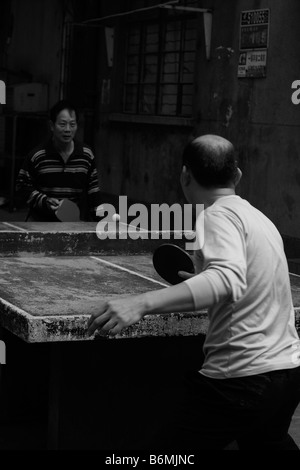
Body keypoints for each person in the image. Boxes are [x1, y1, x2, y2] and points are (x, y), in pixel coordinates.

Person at [87, 134, 300, 450]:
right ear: (237, 175)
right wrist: (203, 281)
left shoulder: (215, 215)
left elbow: (226, 279)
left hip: (239, 380)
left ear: (185, 175)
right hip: (287, 373)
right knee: (268, 441)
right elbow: (242, 282)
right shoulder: (261, 219)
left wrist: (140, 303)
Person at [16, 99, 101, 221]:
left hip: (72, 223)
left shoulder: (86, 155)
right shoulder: (37, 156)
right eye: (62, 124)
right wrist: (45, 201)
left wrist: (102, 221)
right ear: (51, 126)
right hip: (40, 223)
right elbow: (21, 188)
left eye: (72, 124)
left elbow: (94, 192)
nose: (68, 129)